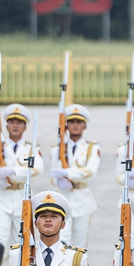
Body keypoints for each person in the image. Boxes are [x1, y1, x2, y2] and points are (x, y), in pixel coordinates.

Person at [0, 103, 43, 266]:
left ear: (25, 127)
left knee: (19, 242)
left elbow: (37, 168)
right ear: (6, 125)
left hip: (22, 198)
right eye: (11, 122)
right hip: (2, 197)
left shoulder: (31, 148)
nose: (15, 125)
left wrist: (13, 172)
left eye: (19, 122)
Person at [49, 103, 101, 249]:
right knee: (62, 241)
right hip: (63, 198)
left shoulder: (92, 148)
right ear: (66, 126)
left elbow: (91, 170)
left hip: (82, 199)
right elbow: (53, 175)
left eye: (79, 122)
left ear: (85, 126)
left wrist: (67, 173)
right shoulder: (57, 149)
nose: (76, 125)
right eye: (72, 122)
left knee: (80, 244)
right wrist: (59, 181)